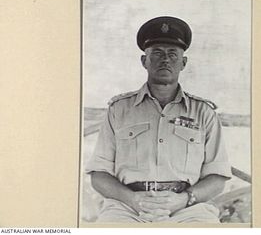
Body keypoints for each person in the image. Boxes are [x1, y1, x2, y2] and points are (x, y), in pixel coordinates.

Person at [85, 16, 232, 223]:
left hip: (187, 208)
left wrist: (183, 199)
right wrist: (133, 199)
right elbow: (99, 175)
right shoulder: (119, 110)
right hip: (127, 208)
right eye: (157, 53)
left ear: (183, 63)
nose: (165, 60)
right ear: (144, 61)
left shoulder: (203, 113)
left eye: (172, 54)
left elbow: (217, 177)